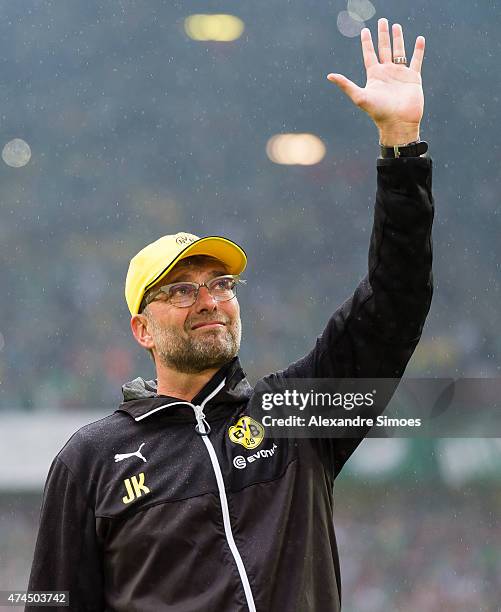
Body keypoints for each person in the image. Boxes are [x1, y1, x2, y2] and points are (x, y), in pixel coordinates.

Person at [26, 18, 433, 612]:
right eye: (182, 291)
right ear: (141, 328)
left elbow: (396, 300)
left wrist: (401, 146)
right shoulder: (89, 460)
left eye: (220, 283)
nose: (210, 300)